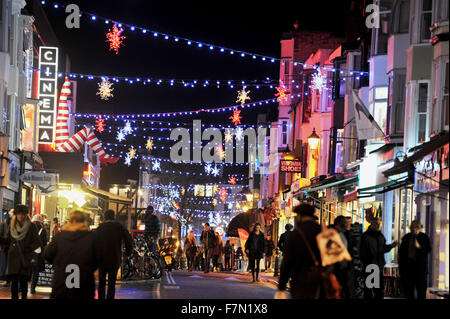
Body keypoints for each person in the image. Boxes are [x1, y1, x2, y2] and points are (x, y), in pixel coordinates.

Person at [44, 210, 98, 299]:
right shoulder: (91, 237)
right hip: (84, 281)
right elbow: (99, 258)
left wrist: (59, 264)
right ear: (83, 221)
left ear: (72, 221)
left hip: (62, 280)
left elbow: (47, 254)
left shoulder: (60, 237)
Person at [277, 203, 323, 299]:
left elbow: (287, 262)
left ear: (300, 216)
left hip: (301, 280)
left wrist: (281, 285)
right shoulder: (324, 232)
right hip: (321, 281)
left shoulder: (295, 235)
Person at [0, 205, 41, 299]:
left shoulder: (31, 226)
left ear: (26, 215)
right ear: (16, 215)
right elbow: (7, 240)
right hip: (13, 257)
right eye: (19, 214)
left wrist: (27, 249)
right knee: (14, 282)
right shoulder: (11, 226)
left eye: (23, 214)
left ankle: (23, 297)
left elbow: (38, 242)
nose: (21, 216)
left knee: (23, 282)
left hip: (25, 257)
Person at [94, 209, 133, 299]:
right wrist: (127, 253)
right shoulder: (119, 227)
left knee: (102, 282)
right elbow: (129, 241)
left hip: (102, 258)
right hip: (114, 257)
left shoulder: (100, 228)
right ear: (114, 217)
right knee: (112, 283)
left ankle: (101, 297)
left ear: (105, 217)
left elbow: (93, 242)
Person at [359, 210, 397, 300]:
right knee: (369, 289)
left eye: (378, 224)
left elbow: (383, 249)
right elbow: (362, 252)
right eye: (376, 224)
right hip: (370, 266)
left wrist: (391, 246)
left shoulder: (380, 236)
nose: (377, 226)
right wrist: (367, 263)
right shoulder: (366, 236)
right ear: (371, 224)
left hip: (378, 266)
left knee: (378, 290)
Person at [399, 220, 431, 299]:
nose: (413, 229)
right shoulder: (406, 237)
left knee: (421, 292)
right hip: (408, 269)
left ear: (420, 228)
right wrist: (401, 270)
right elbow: (401, 254)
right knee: (408, 292)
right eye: (412, 227)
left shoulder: (424, 237)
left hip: (420, 270)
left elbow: (428, 249)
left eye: (416, 227)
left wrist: (419, 246)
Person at [333, 216, 352, 299]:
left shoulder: (345, 234)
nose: (346, 225)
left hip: (344, 269)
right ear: (337, 225)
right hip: (335, 269)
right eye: (343, 223)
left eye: (346, 223)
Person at [30, 214, 48, 294]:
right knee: (36, 272)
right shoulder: (43, 230)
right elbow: (44, 243)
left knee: (27, 271)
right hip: (38, 254)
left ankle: (21, 287)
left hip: (29, 253)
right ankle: (32, 288)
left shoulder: (29, 229)